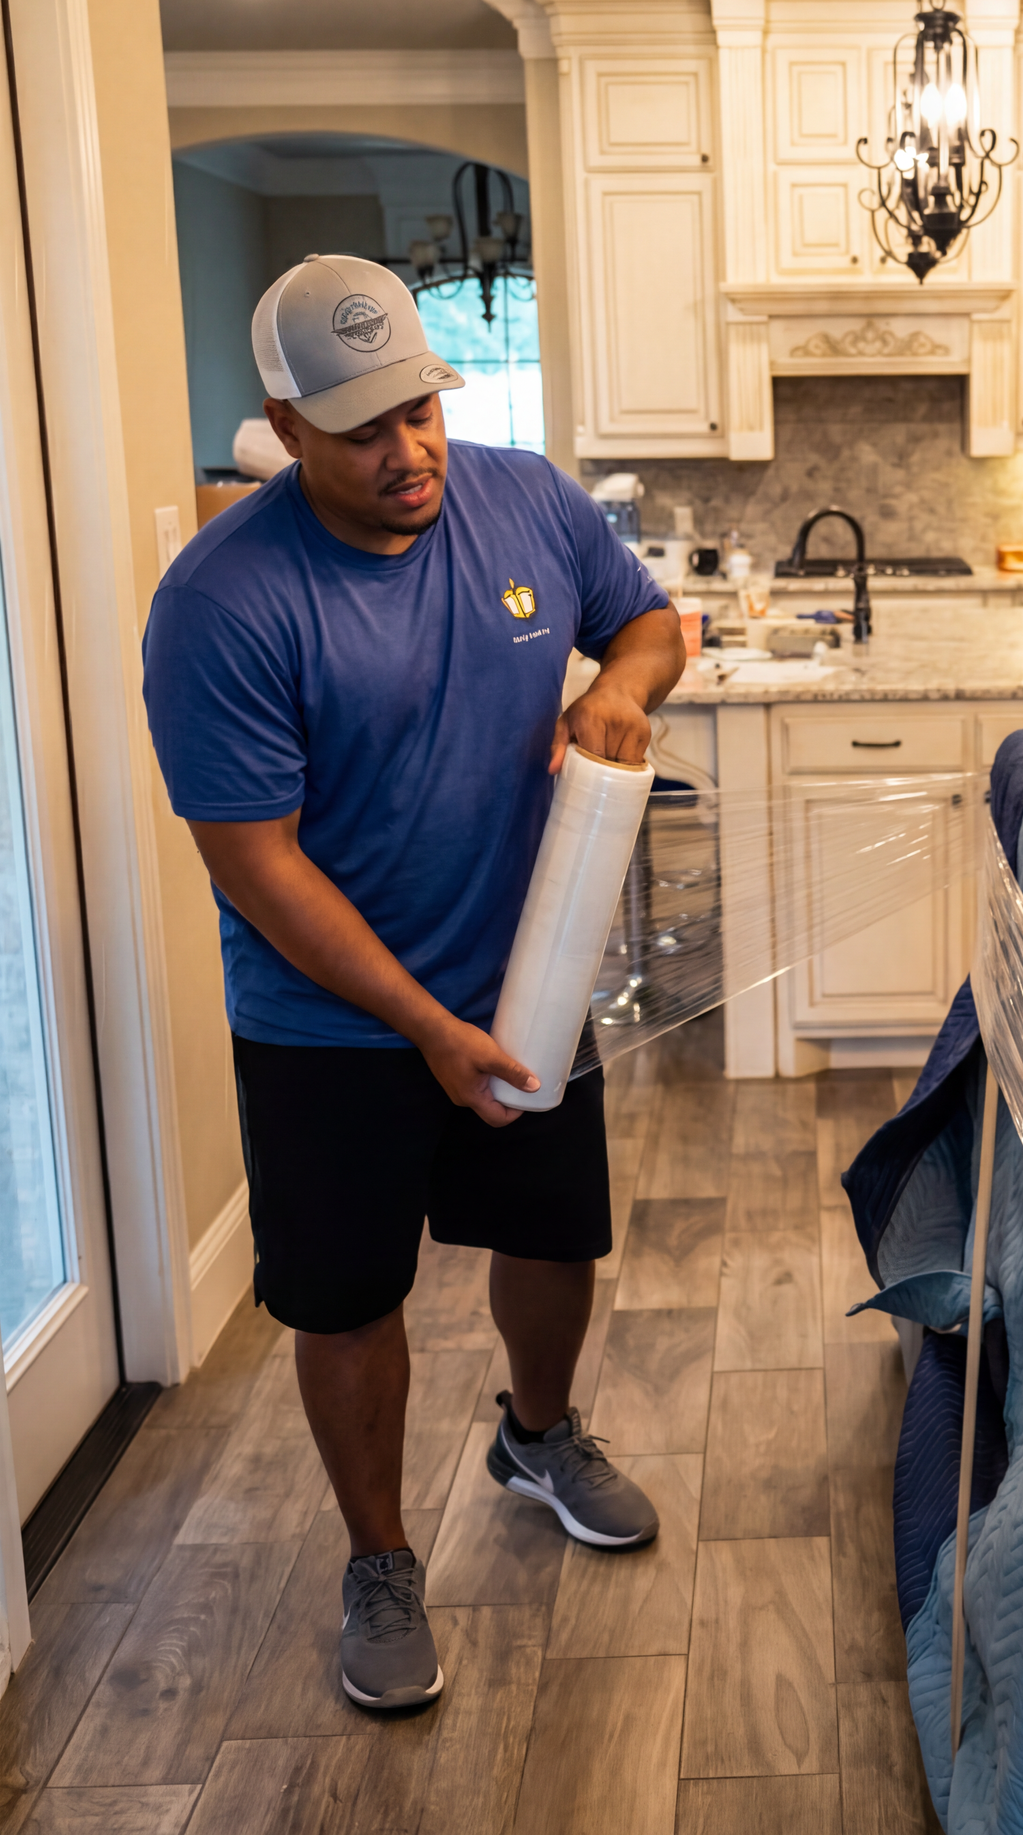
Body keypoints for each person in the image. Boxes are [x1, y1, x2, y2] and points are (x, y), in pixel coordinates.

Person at [143, 255, 685, 1711]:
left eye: (423, 410)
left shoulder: (524, 497)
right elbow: (256, 865)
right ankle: (378, 1556)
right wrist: (422, 1028)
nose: (410, 452)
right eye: (366, 428)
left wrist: (617, 690)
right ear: (286, 424)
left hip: (525, 971)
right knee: (345, 1298)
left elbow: (650, 622)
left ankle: (539, 1430)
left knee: (555, 1239)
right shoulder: (220, 604)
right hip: (329, 1024)